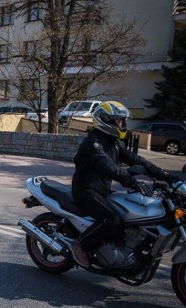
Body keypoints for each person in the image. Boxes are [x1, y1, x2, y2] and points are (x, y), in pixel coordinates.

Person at [69, 101, 178, 268]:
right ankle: (80, 245)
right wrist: (133, 183)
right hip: (86, 190)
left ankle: (117, 250)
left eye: (122, 121)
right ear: (106, 120)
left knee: (129, 215)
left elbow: (137, 160)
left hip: (103, 190)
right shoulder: (94, 143)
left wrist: (165, 175)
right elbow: (109, 167)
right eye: (119, 121)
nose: (122, 124)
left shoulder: (115, 142)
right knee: (111, 219)